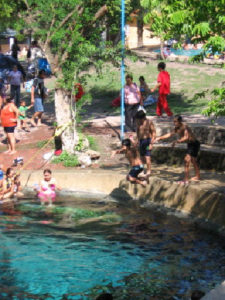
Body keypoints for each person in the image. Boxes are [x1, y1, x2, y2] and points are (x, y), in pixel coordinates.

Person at [155, 115, 200, 184]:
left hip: (194, 144)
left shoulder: (184, 127)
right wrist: (160, 138)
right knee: (193, 161)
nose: (174, 123)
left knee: (186, 160)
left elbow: (186, 137)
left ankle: (186, 179)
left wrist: (177, 141)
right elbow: (169, 134)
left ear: (179, 121)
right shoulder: (177, 128)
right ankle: (197, 176)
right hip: (190, 144)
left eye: (175, 121)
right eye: (173, 121)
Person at [134, 110, 156, 176]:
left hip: (147, 141)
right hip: (141, 141)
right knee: (141, 157)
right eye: (138, 119)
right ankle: (142, 170)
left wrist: (151, 144)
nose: (139, 121)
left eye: (140, 119)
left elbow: (154, 133)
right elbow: (138, 132)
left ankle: (149, 171)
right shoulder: (138, 123)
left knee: (147, 157)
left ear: (143, 118)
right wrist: (137, 140)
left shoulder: (149, 122)